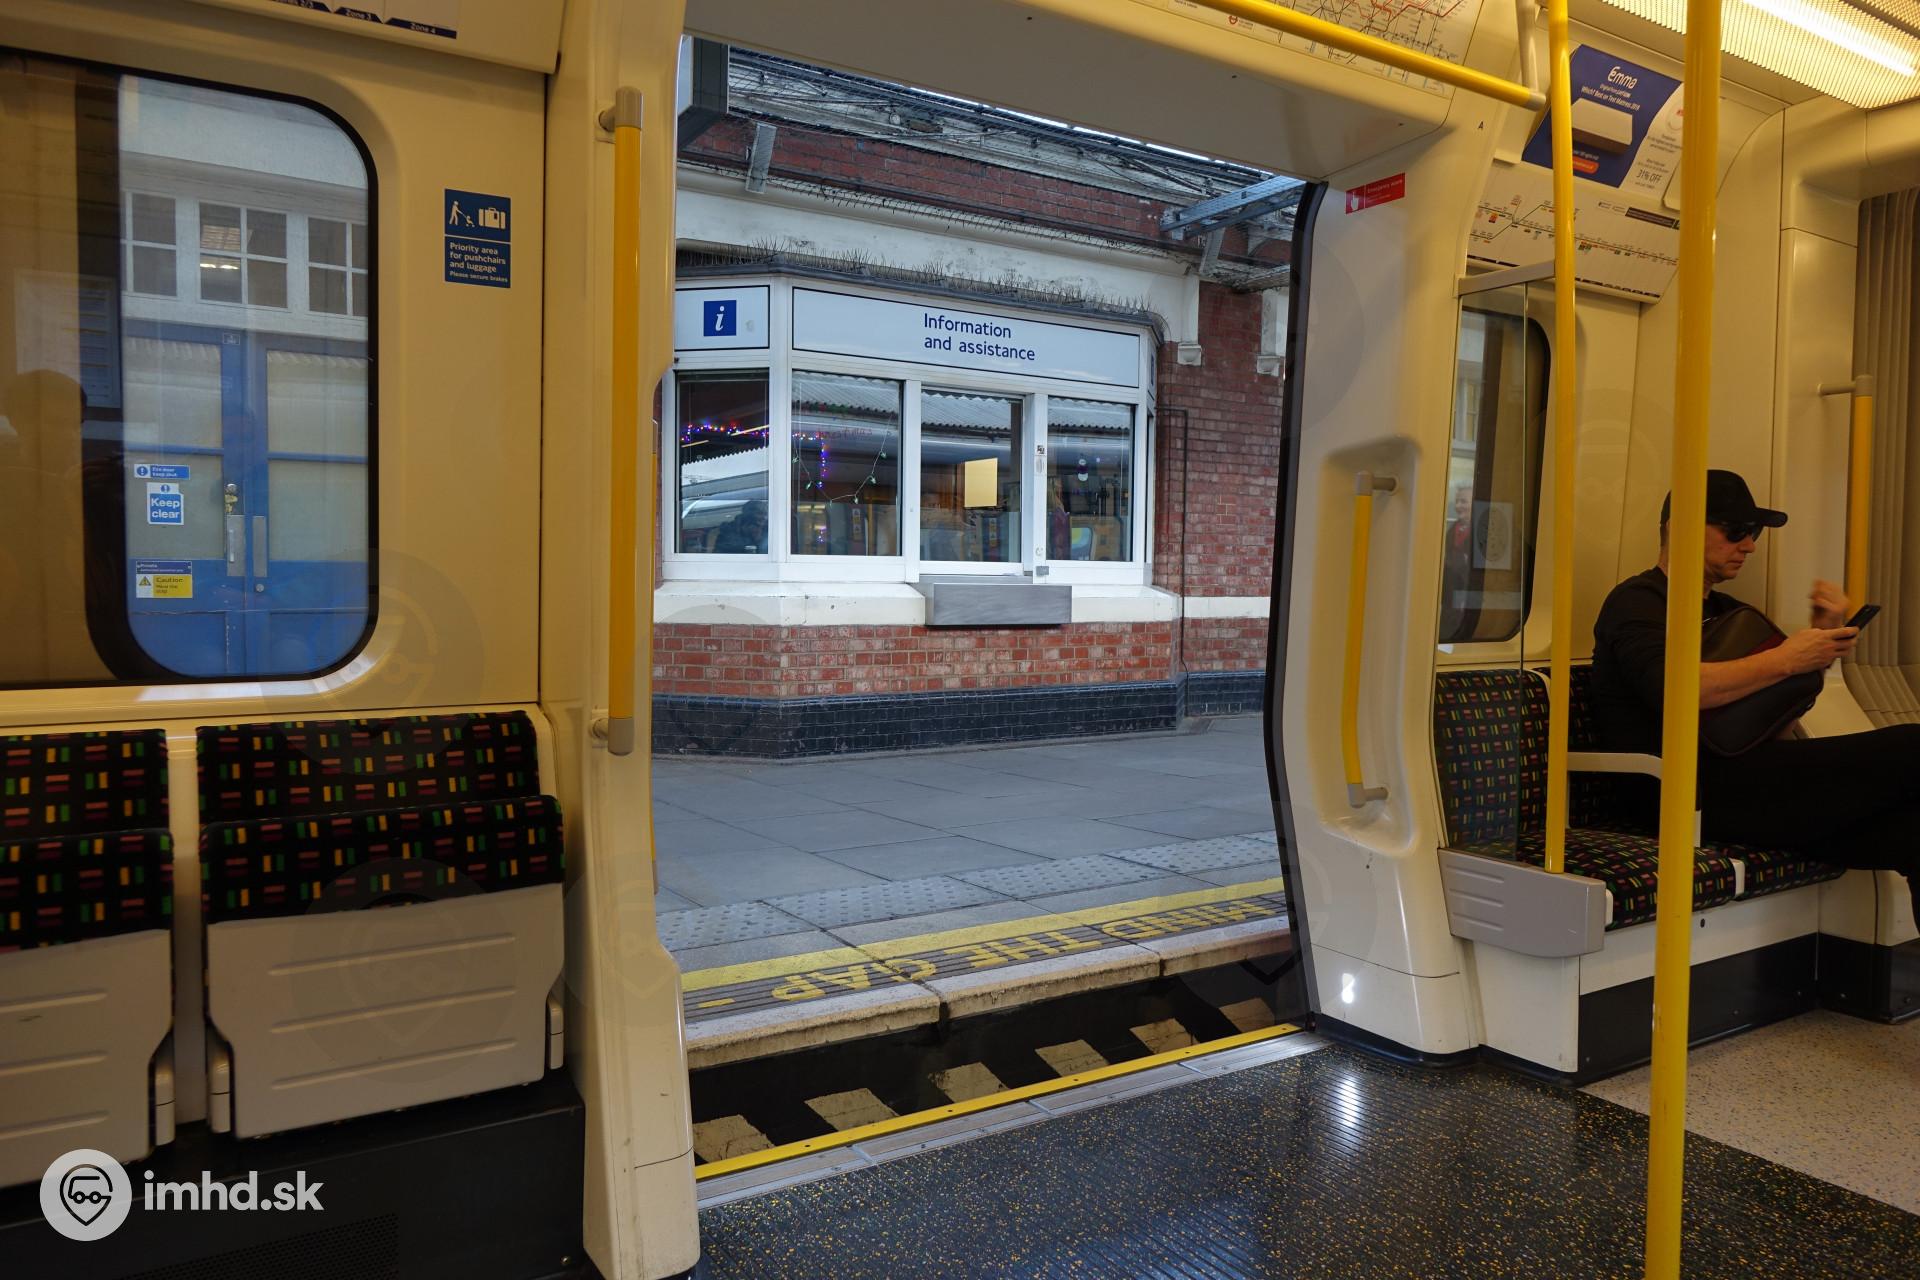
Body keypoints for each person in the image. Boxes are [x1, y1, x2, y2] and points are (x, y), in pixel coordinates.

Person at [1591, 469, 1920, 923]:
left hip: (1743, 777)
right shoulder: (1637, 602)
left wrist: (1817, 648)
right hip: (1677, 789)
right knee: (1912, 746)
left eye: (1754, 533)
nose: (1749, 545)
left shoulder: (1730, 613)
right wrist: (1786, 660)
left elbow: (1770, 726)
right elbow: (1675, 690)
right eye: (1736, 531)